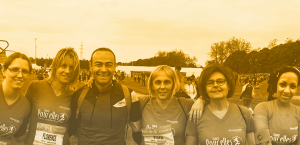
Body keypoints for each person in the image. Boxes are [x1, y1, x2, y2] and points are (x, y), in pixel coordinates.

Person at [129, 65, 204, 145]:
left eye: (167, 82)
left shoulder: (186, 105)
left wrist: (201, 100)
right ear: (152, 85)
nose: (162, 87)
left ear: (173, 84)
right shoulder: (142, 102)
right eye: (158, 82)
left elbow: (212, 101)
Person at [21, 48, 80, 145]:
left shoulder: (75, 96)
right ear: (55, 66)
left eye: (71, 67)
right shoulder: (35, 87)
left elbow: (76, 128)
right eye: (63, 66)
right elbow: (20, 118)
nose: (67, 71)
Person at [185, 64, 255, 145]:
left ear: (228, 85)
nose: (215, 85)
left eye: (220, 81)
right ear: (205, 89)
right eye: (210, 83)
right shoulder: (195, 116)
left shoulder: (244, 113)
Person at [253, 66, 300, 145]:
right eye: (282, 84)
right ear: (276, 85)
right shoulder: (262, 108)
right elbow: (263, 142)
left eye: (292, 86)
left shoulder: (298, 111)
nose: (287, 91)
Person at [0, 52, 32, 144]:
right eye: (14, 69)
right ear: (3, 71)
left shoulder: (26, 105)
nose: (20, 75)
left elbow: (19, 135)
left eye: (25, 71)